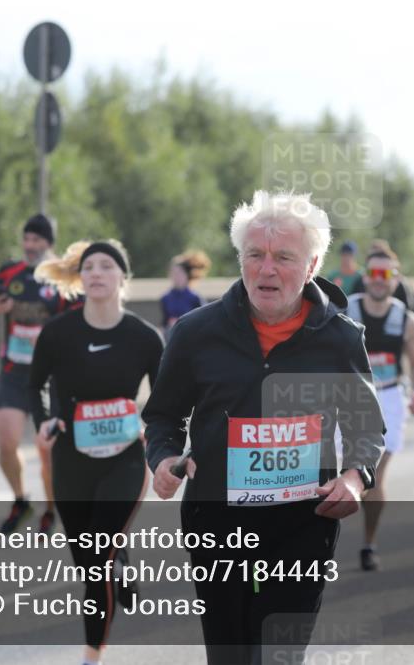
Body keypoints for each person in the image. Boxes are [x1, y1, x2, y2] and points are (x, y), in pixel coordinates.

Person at [143, 191, 383, 664]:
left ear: (312, 264)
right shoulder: (195, 332)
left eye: (283, 257)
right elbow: (163, 415)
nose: (266, 269)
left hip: (303, 522)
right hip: (218, 520)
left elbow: (364, 425)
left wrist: (357, 477)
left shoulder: (339, 338)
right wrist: (164, 458)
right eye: (255, 255)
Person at [30, 239, 164, 665]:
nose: (97, 273)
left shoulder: (144, 337)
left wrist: (158, 435)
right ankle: (119, 559)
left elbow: (166, 400)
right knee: (88, 562)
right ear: (80, 277)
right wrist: (44, 422)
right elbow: (33, 386)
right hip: (71, 461)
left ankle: (92, 656)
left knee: (98, 559)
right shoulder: (58, 333)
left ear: (123, 277)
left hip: (125, 459)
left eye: (107, 266)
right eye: (89, 266)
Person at [0, 214, 77, 535]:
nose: (30, 246)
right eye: (26, 239)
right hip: (14, 371)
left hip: (51, 377)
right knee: (6, 443)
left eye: (37, 240)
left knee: (46, 452)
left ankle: (51, 508)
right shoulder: (9, 273)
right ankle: (20, 500)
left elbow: (77, 324)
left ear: (49, 243)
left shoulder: (61, 277)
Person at [346, 248, 414, 570]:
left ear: (396, 278)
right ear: (366, 277)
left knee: (373, 476)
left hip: (390, 398)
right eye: (374, 274)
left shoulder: (406, 319)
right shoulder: (345, 311)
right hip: (346, 397)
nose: (379, 281)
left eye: (386, 274)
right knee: (331, 473)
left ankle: (368, 543)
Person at [353, 239, 414, 313]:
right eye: (373, 272)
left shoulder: (401, 284)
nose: (378, 279)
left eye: (384, 273)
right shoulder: (360, 281)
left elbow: (410, 308)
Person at [161, 249, 210, 336]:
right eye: (173, 272)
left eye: (179, 273)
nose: (176, 276)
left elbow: (204, 322)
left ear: (187, 275)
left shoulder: (195, 298)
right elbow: (164, 324)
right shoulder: (165, 298)